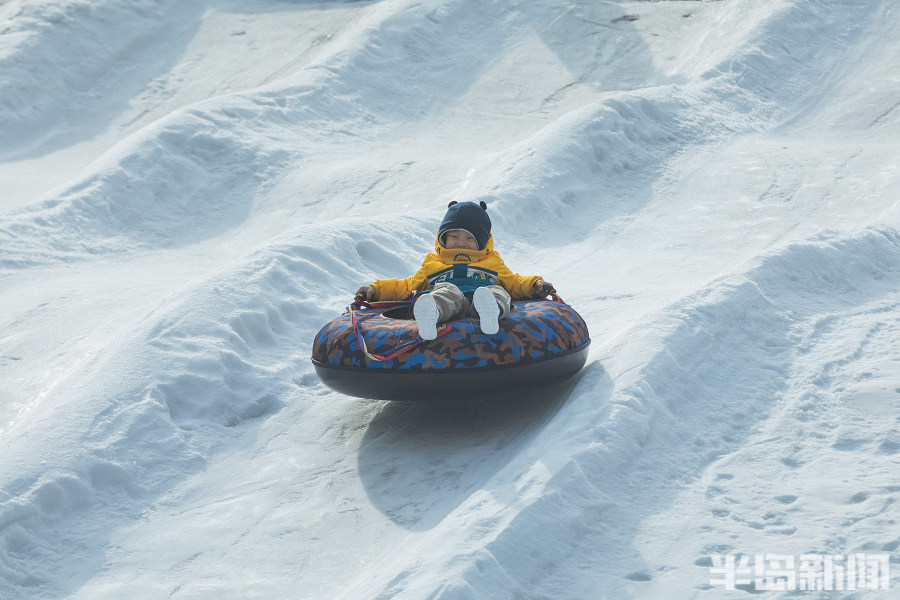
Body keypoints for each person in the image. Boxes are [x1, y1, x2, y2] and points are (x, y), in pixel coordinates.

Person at [356, 201, 553, 340]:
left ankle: (490, 313)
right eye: (454, 236)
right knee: (445, 292)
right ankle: (431, 313)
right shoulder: (432, 264)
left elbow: (514, 283)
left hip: (481, 298)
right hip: (452, 305)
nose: (461, 242)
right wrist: (376, 290)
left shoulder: (492, 262)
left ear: (482, 242)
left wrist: (535, 284)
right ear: (443, 238)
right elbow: (406, 286)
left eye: (469, 238)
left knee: (498, 292)